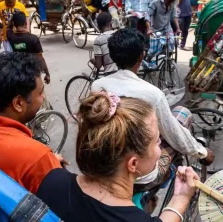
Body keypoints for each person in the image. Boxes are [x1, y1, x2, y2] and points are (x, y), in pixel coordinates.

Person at [37, 92, 200, 222]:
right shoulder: (134, 218)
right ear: (133, 164)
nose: (160, 145)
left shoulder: (51, 181)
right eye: (157, 142)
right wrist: (182, 197)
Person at [91, 29, 214, 189]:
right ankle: (172, 173)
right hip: (141, 176)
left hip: (107, 166)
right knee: (182, 115)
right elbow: (174, 133)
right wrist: (202, 152)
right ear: (141, 56)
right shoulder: (152, 94)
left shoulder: (98, 86)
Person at [0, 52, 67, 194]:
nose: (43, 97)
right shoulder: (37, 157)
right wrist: (48, 163)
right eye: (40, 93)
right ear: (18, 103)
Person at [7, 11, 50, 84]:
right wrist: (47, 74)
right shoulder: (33, 39)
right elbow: (40, 59)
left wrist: (13, 19)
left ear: (14, 24)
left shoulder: (10, 36)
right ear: (26, 24)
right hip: (32, 73)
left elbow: (8, 27)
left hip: (18, 72)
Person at [145, 0, 182, 66]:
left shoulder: (173, 3)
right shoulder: (156, 1)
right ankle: (148, 59)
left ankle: (167, 60)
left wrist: (178, 28)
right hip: (155, 29)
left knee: (171, 43)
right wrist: (149, 28)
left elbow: (174, 16)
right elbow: (148, 14)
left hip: (167, 28)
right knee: (153, 50)